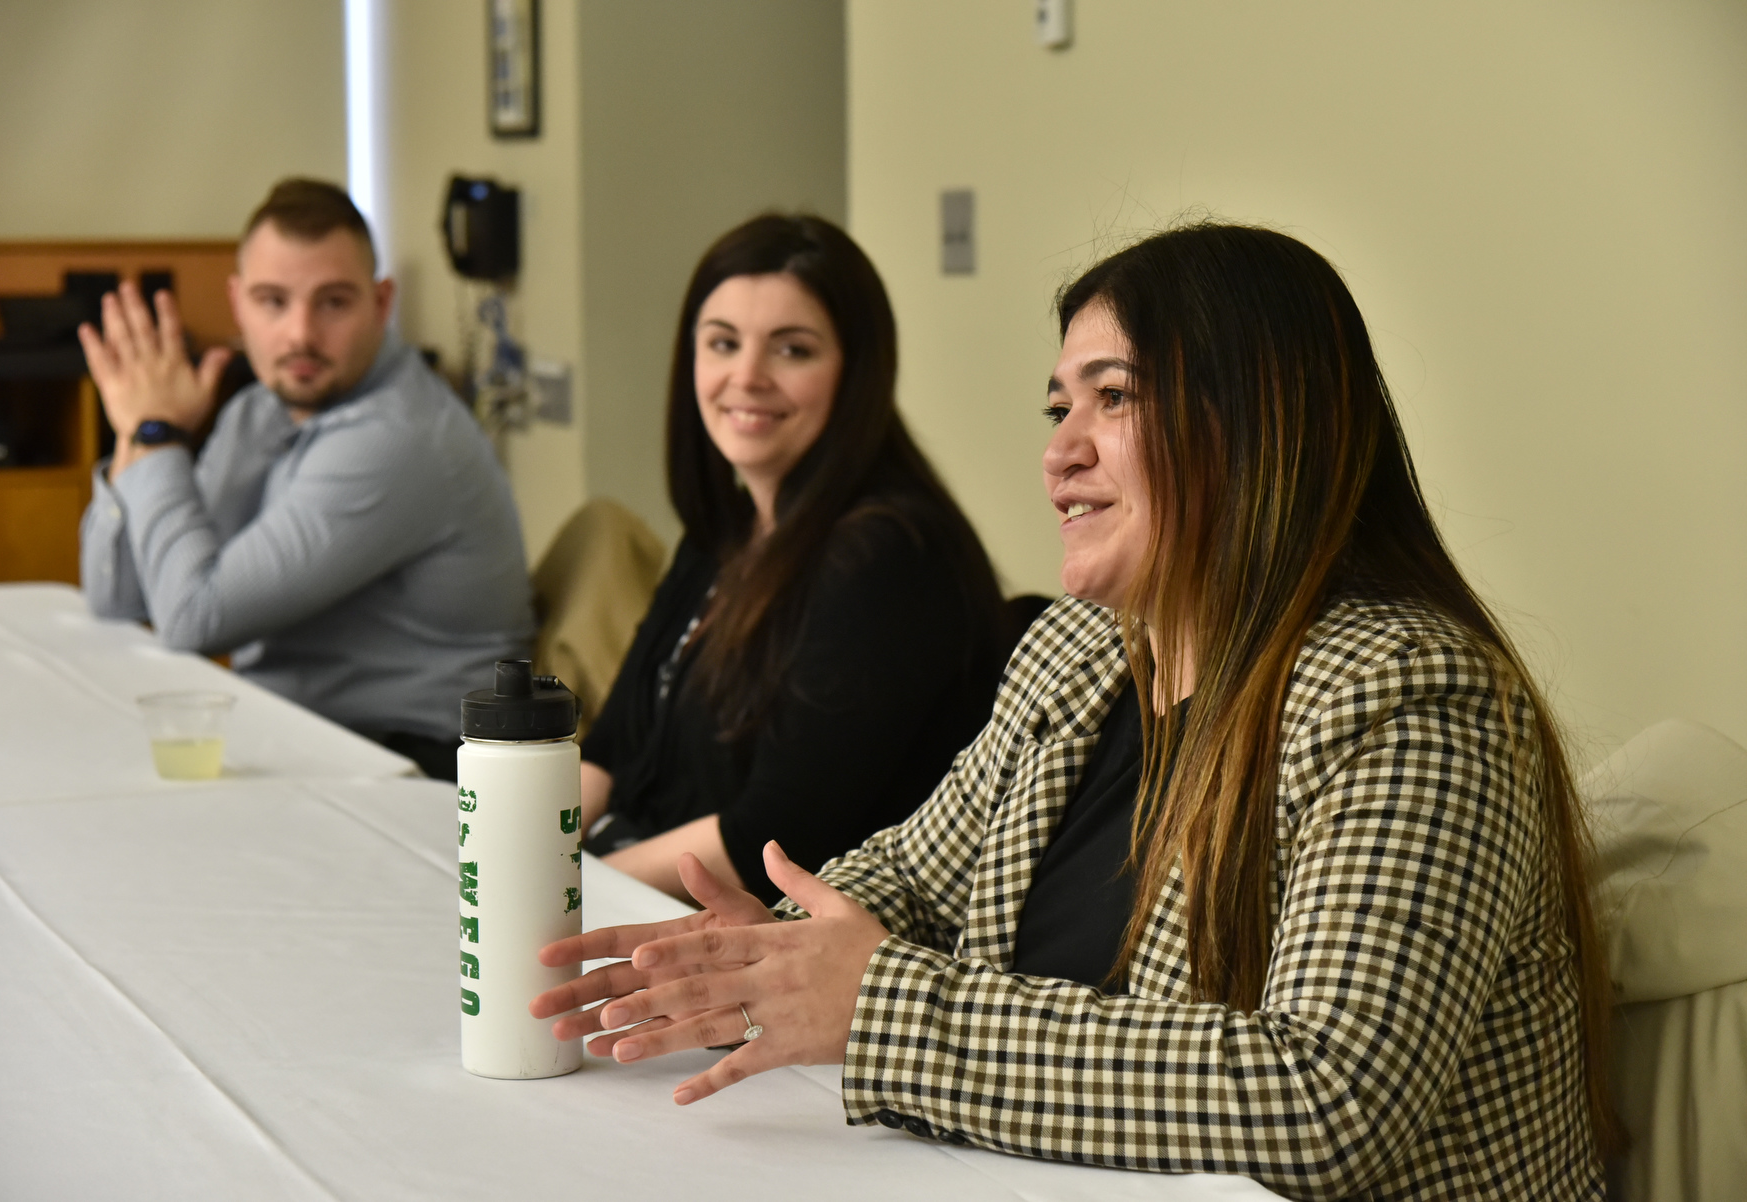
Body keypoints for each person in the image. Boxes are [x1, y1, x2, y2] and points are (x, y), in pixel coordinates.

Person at [531, 224, 1618, 1199]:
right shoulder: (1081, 648)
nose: (1059, 450)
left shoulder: (1409, 695)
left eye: (1115, 397)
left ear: (1259, 420)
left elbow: (1325, 1098)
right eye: (1060, 405)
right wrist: (764, 952)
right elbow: (915, 873)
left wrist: (880, 1009)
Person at [579, 214, 1008, 905]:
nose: (746, 377)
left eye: (792, 350)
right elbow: (612, 744)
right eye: (722, 343)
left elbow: (771, 840)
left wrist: (569, 890)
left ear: (857, 369)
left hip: (772, 935)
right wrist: (523, 853)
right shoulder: (727, 528)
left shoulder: (888, 559)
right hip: (647, 891)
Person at [78, 179, 533, 780]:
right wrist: (140, 432)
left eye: (333, 302)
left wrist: (157, 433)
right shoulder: (261, 409)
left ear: (382, 302)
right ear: (238, 303)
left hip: (419, 769)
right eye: (273, 302)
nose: (299, 335)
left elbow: (192, 617)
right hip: (312, 739)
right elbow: (121, 597)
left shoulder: (394, 440)